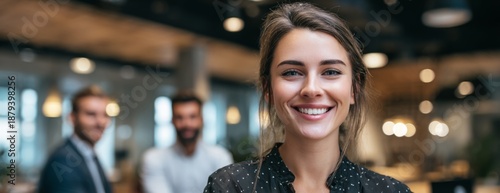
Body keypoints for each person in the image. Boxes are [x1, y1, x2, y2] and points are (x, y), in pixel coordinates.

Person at [204, 2, 412, 193]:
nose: (311, 89)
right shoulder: (230, 186)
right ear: (268, 88)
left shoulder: (390, 191)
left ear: (354, 89)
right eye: (292, 72)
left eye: (330, 72)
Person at [141, 91, 233, 193]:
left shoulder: (220, 157)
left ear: (201, 120)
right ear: (172, 121)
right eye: (179, 117)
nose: (187, 124)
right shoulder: (154, 159)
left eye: (192, 117)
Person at [37, 85, 113, 193]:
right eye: (91, 114)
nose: (101, 122)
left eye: (105, 115)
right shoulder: (63, 160)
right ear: (72, 118)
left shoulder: (90, 155)